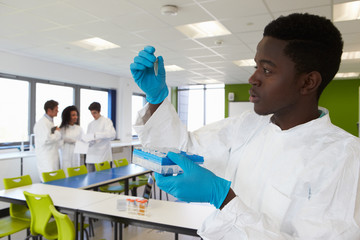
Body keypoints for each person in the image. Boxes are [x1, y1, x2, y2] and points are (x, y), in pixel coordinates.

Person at [130, 13, 360, 239]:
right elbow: (181, 150)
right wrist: (156, 99)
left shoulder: (345, 159)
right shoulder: (247, 126)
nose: (253, 78)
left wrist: (224, 199)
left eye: (267, 70)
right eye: (256, 66)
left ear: (308, 82)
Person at [33, 100, 62, 181]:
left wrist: (55, 133)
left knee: (54, 181)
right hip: (46, 159)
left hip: (51, 157)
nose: (58, 111)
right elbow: (47, 139)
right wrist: (57, 132)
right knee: (48, 182)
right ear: (49, 110)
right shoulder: (42, 123)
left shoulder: (49, 122)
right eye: (56, 110)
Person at [84, 102, 116, 172]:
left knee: (103, 180)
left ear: (99, 111)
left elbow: (112, 134)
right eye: (91, 113)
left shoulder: (106, 121)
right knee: (91, 180)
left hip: (102, 156)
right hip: (91, 156)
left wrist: (96, 135)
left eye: (95, 113)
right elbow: (88, 138)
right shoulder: (90, 124)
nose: (93, 115)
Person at [59, 105, 83, 173]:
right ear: (67, 116)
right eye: (73, 115)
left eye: (76, 115)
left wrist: (73, 141)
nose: (75, 117)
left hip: (76, 156)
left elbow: (83, 142)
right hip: (65, 156)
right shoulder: (62, 129)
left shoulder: (79, 129)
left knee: (76, 174)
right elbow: (59, 144)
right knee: (66, 174)